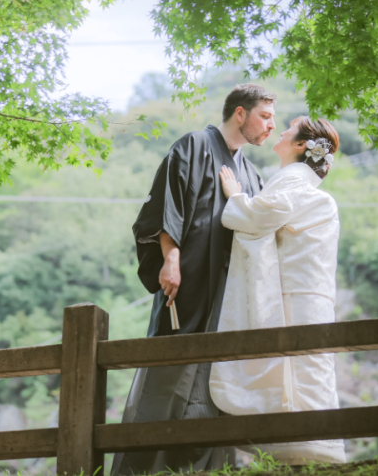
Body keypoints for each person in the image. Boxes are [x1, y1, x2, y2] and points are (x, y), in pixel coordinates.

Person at [111, 84, 276, 475]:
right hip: (185, 289)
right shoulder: (194, 146)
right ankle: (140, 469)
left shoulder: (251, 175)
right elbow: (168, 205)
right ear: (240, 113)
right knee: (166, 372)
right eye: (265, 116)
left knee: (215, 379)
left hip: (228, 296)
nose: (271, 125)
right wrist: (170, 259)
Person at [209, 116, 346, 465]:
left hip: (295, 294)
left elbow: (259, 218)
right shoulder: (301, 187)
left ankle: (303, 451)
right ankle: (313, 450)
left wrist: (237, 197)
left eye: (288, 129)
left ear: (301, 146)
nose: (280, 130)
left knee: (299, 368)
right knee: (308, 369)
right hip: (308, 293)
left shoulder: (295, 186)